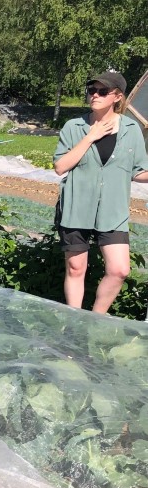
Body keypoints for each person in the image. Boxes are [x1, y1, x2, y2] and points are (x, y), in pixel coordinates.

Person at [53, 70, 148, 314]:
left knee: (119, 270)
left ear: (117, 96)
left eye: (102, 91)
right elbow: (60, 166)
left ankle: (96, 319)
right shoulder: (75, 127)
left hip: (113, 210)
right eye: (91, 90)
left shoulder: (131, 129)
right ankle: (75, 321)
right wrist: (90, 137)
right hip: (76, 207)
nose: (94, 95)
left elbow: (137, 171)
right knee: (76, 268)